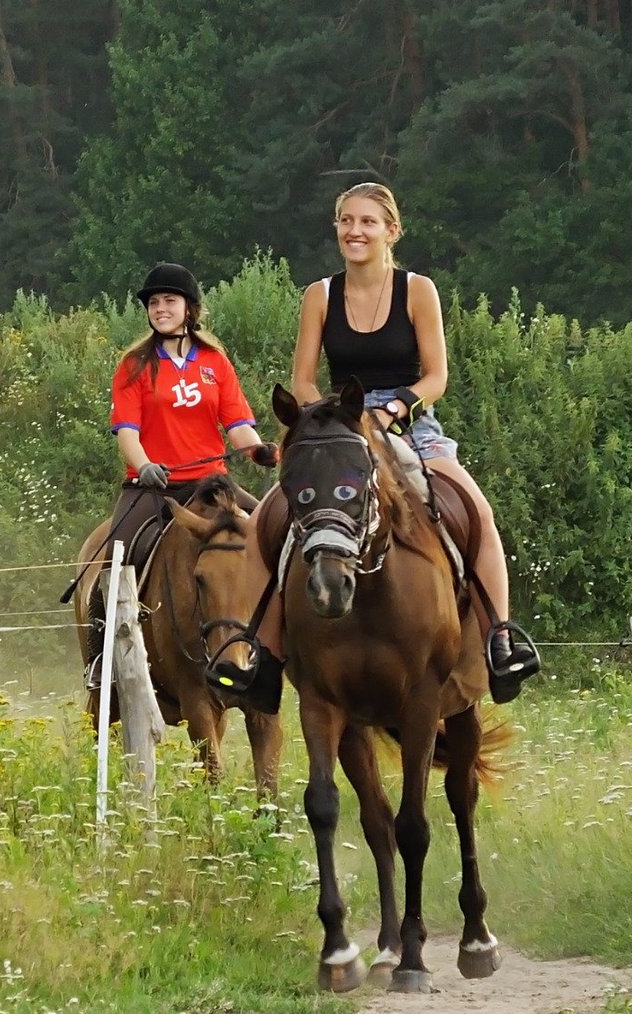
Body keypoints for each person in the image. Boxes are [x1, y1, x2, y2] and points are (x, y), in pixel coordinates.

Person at [231, 181, 540, 711]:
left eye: (368, 222)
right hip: (338, 425)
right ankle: (258, 655)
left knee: (479, 514)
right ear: (336, 228)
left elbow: (437, 375)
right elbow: (302, 380)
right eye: (346, 221)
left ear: (391, 231)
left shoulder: (418, 289)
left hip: (409, 423)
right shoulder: (319, 294)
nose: (355, 231)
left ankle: (499, 641)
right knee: (266, 520)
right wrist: (338, 418)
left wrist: (394, 410)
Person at [85, 262, 278, 688]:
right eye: (154, 303)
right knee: (113, 559)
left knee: (275, 534)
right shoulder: (134, 365)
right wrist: (144, 465)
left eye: (169, 301)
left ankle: (281, 651)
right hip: (153, 485)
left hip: (213, 484)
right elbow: (127, 433)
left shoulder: (214, 362)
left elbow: (238, 425)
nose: (160, 309)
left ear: (190, 308)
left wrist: (257, 448)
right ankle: (101, 661)